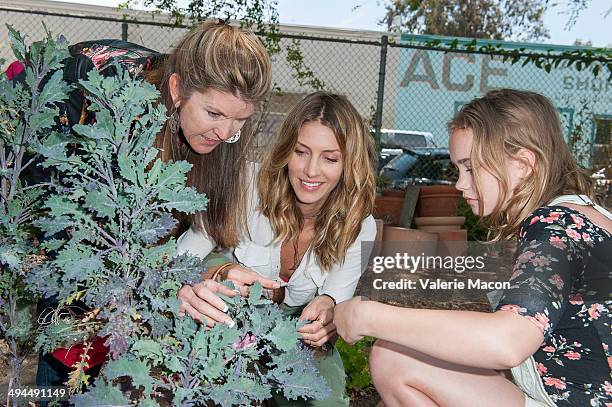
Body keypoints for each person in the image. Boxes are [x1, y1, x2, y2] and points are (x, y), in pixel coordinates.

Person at [29, 19, 273, 394]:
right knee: (71, 336)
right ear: (176, 90)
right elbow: (89, 240)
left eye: (239, 119)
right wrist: (166, 283)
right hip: (54, 175)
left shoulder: (219, 133)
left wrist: (206, 274)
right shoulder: (116, 111)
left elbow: (198, 229)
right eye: (214, 115)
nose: (226, 134)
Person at [333, 89, 612, 407]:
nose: (459, 183)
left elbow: (507, 341)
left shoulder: (555, 225)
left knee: (394, 357)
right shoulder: (588, 215)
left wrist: (365, 315)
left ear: (522, 164)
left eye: (470, 168)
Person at [177, 91, 378, 406]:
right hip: (227, 317)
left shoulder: (360, 226)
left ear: (348, 164)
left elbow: (335, 297)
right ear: (286, 151)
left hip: (293, 331)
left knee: (324, 398)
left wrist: (327, 315)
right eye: (301, 152)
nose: (311, 171)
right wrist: (220, 270)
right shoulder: (245, 185)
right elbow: (180, 260)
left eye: (330, 158)